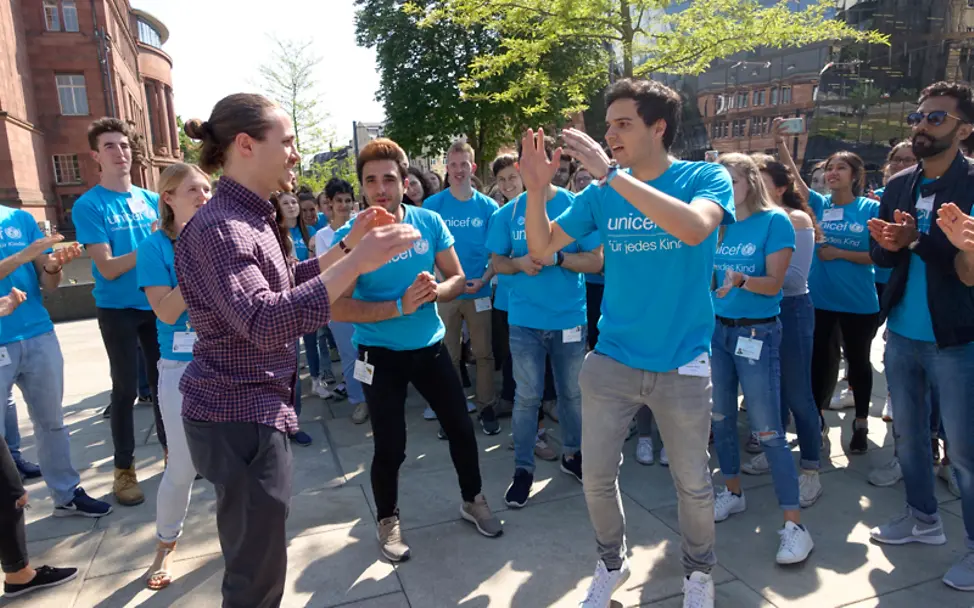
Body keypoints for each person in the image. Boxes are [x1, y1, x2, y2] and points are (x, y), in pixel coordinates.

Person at [176, 94, 420, 608]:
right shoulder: (223, 227)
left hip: (255, 409)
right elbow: (265, 322)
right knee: (255, 575)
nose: (295, 153)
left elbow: (287, 281)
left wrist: (348, 245)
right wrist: (356, 263)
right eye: (286, 141)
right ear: (246, 145)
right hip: (238, 415)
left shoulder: (253, 216)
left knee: (261, 557)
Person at [521, 78, 734, 608]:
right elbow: (542, 248)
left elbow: (695, 228)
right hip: (612, 360)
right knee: (595, 478)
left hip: (683, 362)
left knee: (693, 484)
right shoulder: (600, 194)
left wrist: (612, 176)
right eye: (608, 125)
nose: (610, 135)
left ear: (658, 128)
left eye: (623, 124)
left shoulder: (704, 177)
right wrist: (535, 190)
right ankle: (611, 563)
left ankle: (698, 574)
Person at [330, 138, 502, 562]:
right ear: (362, 187)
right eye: (371, 180)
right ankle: (387, 519)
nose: (380, 188)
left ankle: (473, 499)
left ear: (405, 182)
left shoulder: (428, 221)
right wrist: (398, 306)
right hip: (377, 354)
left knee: (461, 428)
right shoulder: (349, 238)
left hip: (429, 348)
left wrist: (434, 292)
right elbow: (338, 306)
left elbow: (456, 278)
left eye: (389, 179)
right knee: (391, 446)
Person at [868, 81, 974, 591]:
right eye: (918, 117)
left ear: (964, 129)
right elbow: (884, 256)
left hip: (957, 340)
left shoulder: (971, 185)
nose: (922, 126)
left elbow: (964, 268)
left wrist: (918, 242)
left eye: (936, 118)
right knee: (909, 439)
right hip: (902, 334)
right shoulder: (900, 183)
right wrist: (890, 245)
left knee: (965, 452)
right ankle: (922, 519)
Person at [707, 153, 814, 563]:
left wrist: (741, 280)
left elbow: (774, 285)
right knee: (721, 419)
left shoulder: (775, 222)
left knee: (768, 430)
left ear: (750, 181)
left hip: (757, 333)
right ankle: (732, 491)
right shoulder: (719, 224)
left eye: (731, 182)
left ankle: (794, 525)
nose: (725, 190)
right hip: (718, 332)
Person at [487, 137, 603, 509]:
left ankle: (573, 455)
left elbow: (596, 260)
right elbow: (498, 262)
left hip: (569, 320)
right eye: (526, 161)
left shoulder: (576, 206)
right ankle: (523, 470)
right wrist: (518, 264)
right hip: (524, 323)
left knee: (572, 395)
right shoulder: (506, 215)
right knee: (527, 398)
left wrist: (559, 259)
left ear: (553, 163)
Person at [70, 117, 166, 507]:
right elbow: (108, 268)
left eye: (124, 145)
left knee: (165, 383)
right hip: (117, 308)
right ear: (96, 156)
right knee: (125, 389)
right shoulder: (89, 205)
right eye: (109, 146)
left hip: (157, 303)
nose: (119, 152)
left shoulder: (150, 199)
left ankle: (174, 454)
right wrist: (151, 245)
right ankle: (124, 471)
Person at [0, 210, 111, 519]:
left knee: (52, 422)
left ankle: (66, 495)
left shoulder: (19, 218)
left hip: (38, 334)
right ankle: (7, 513)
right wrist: (23, 255)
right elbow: (26, 257)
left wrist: (52, 266)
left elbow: (49, 284)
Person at [776, 122, 879, 454]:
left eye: (841, 168)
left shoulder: (870, 209)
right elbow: (795, 179)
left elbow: (880, 255)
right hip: (820, 300)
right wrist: (781, 144)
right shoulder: (819, 205)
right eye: (829, 168)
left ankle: (860, 422)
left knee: (859, 363)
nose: (833, 173)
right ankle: (817, 421)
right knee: (821, 362)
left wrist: (840, 254)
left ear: (856, 175)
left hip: (859, 303)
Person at [136, 162, 210, 590]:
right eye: (192, 191)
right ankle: (165, 545)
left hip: (226, 362)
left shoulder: (222, 238)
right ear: (168, 198)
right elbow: (164, 311)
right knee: (182, 466)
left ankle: (242, 538)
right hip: (180, 367)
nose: (203, 197)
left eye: (206, 189)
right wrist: (199, 266)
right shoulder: (154, 247)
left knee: (235, 463)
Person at [745, 155, 824, 505]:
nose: (754, 190)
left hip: (791, 312)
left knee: (797, 391)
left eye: (761, 183)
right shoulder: (749, 220)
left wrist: (747, 274)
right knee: (768, 390)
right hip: (758, 313)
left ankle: (810, 468)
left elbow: (793, 279)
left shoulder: (796, 219)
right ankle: (772, 450)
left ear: (780, 188)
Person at [424, 141, 501, 435]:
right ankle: (453, 413)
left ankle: (486, 407)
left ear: (473, 167)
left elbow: (497, 253)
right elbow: (426, 250)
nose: (458, 170)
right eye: (453, 165)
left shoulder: (489, 207)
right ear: (447, 168)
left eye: (463, 164)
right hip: (446, 292)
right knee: (448, 356)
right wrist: (441, 280)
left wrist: (484, 278)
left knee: (483, 354)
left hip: (479, 291)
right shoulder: (433, 206)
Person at [315, 179, 369, 423]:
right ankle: (359, 400)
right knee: (349, 355)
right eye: (339, 201)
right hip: (339, 302)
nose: (344, 205)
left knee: (367, 354)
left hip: (365, 298)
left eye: (348, 200)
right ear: (329, 203)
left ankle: (372, 395)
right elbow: (328, 270)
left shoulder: (363, 227)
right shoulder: (323, 236)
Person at [272, 192, 321, 447]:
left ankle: (293, 422)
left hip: (302, 300)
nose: (291, 206)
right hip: (276, 309)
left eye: (294, 202)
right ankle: (275, 423)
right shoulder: (273, 234)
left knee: (294, 367)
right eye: (285, 203)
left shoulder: (307, 232)